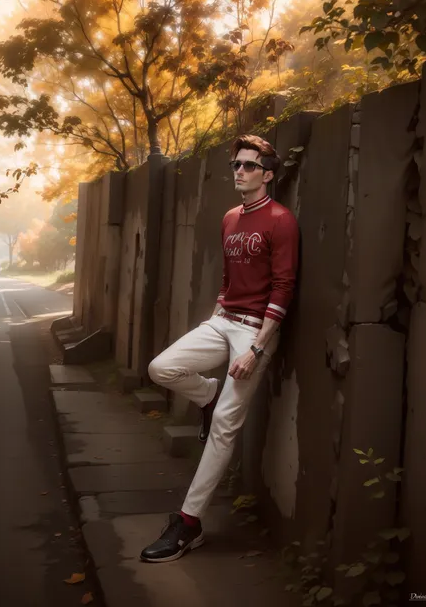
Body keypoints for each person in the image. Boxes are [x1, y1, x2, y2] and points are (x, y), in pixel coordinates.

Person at [140, 134, 299, 563]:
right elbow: (229, 280)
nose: (240, 171)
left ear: (267, 174)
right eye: (236, 165)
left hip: (255, 331)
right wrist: (214, 317)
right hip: (223, 320)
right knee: (161, 368)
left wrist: (256, 350)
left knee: (226, 425)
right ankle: (207, 395)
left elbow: (284, 287)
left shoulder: (281, 220)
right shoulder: (230, 218)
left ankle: (188, 523)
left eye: (249, 166)